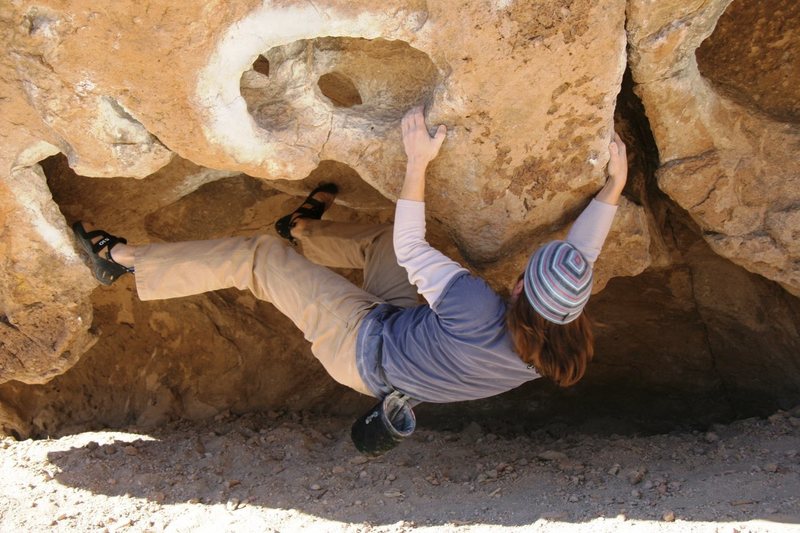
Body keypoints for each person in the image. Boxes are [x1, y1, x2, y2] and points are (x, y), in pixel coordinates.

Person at [73, 106, 628, 451]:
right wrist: (613, 188)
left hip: (359, 347)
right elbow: (579, 260)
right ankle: (304, 230)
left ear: (518, 289)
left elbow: (416, 246)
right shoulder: (556, 350)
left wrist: (417, 161)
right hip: (406, 343)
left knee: (258, 258)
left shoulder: (476, 306)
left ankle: (119, 260)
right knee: (382, 242)